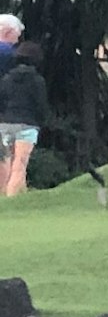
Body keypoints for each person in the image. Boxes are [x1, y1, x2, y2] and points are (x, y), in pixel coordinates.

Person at [0, 14, 43, 197]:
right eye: (16, 37)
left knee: (6, 161)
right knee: (19, 164)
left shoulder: (8, 79)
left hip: (7, 119)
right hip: (24, 120)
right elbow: (40, 103)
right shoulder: (7, 54)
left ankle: (15, 196)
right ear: (8, 32)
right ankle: (10, 198)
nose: (17, 42)